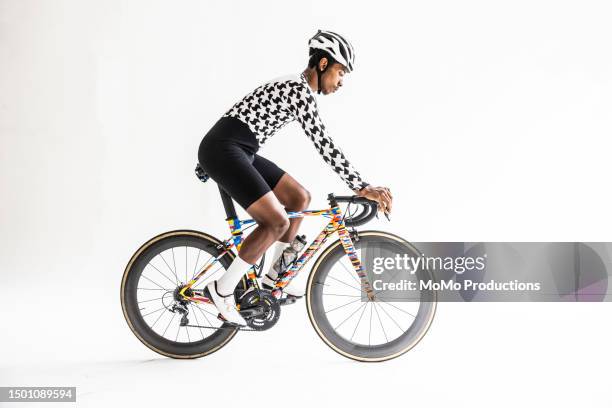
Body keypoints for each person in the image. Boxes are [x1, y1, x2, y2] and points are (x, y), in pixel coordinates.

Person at [198, 30, 393, 325]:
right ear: (323, 64)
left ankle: (273, 276)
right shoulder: (296, 89)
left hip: (237, 149)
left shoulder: (295, 87)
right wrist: (362, 186)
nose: (341, 82)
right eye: (341, 72)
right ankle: (221, 290)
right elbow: (323, 143)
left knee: (298, 199)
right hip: (224, 149)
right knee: (276, 221)